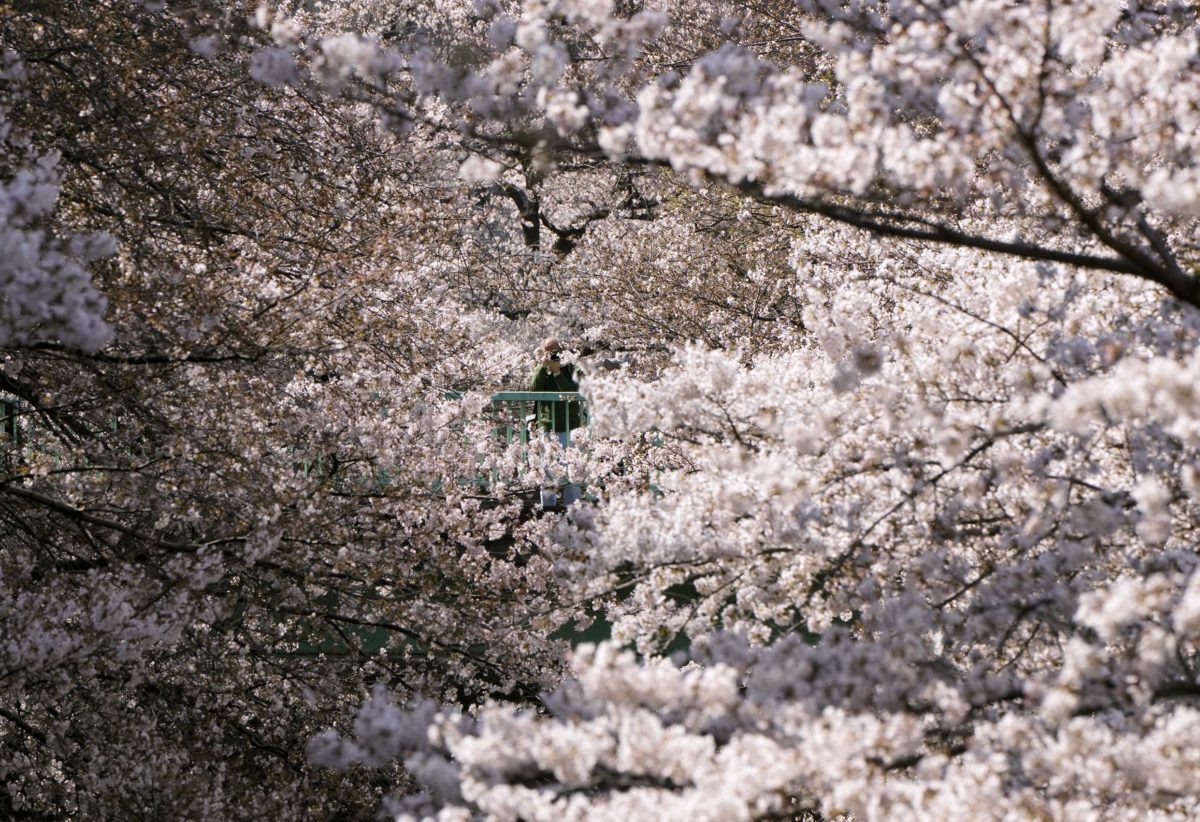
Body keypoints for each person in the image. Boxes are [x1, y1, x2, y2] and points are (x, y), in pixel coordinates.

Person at [528, 337, 586, 507]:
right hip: (547, 426)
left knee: (572, 469)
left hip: (570, 427)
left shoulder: (572, 368)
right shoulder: (541, 369)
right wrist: (543, 368)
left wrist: (558, 372)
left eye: (555, 351)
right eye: (548, 352)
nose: (552, 355)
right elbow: (533, 391)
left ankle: (572, 508)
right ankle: (548, 507)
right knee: (547, 471)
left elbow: (572, 394)